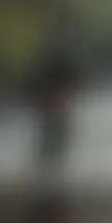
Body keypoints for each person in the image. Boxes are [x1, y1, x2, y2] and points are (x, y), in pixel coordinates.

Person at [27, 46, 83, 178]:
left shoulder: (52, 69)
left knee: (53, 145)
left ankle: (49, 174)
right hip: (52, 108)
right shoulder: (59, 69)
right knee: (53, 144)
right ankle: (49, 174)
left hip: (53, 108)